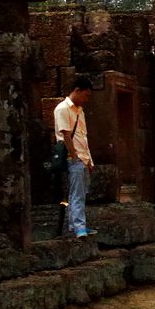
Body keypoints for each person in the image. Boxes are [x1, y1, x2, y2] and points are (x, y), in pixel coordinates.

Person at [53, 76, 94, 238]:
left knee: (80, 193)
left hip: (82, 157)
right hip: (74, 158)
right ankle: (79, 227)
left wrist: (89, 159)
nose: (86, 99)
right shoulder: (62, 109)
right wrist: (74, 156)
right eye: (86, 95)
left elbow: (83, 137)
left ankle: (74, 225)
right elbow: (66, 135)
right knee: (76, 194)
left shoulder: (79, 111)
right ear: (77, 91)